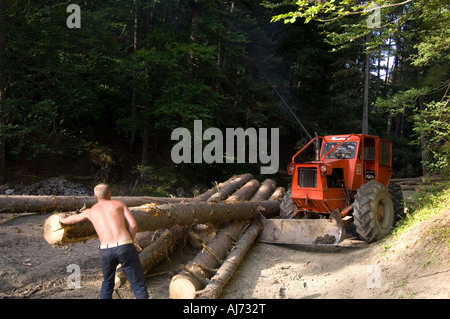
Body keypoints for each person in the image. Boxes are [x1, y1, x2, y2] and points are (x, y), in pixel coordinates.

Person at [59, 183, 149, 299]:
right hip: (124, 245)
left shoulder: (90, 211)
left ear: (95, 196)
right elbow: (133, 225)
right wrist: (130, 242)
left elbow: (70, 220)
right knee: (138, 284)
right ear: (109, 193)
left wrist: (62, 218)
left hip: (106, 250)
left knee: (107, 284)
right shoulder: (119, 204)